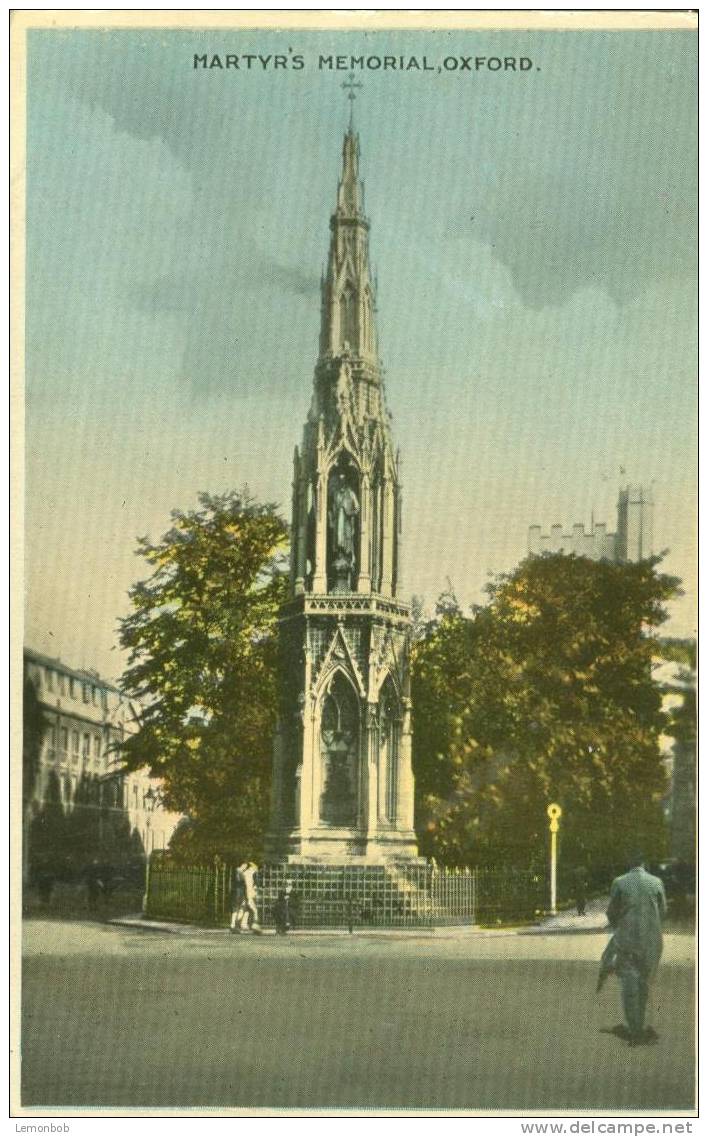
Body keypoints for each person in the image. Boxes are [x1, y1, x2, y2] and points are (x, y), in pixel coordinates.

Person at [606, 852, 666, 1046]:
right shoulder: (656, 882)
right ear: (644, 863)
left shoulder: (619, 882)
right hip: (651, 941)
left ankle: (635, 1030)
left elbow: (611, 912)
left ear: (628, 864)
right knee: (644, 983)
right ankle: (638, 1026)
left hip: (627, 941)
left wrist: (619, 925)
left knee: (629, 986)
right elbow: (663, 910)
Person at [230, 861, 261, 934]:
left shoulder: (245, 873)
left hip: (245, 894)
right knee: (253, 910)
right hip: (247, 894)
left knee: (244, 910)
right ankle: (254, 924)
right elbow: (251, 886)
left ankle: (238, 925)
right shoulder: (250, 873)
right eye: (255, 868)